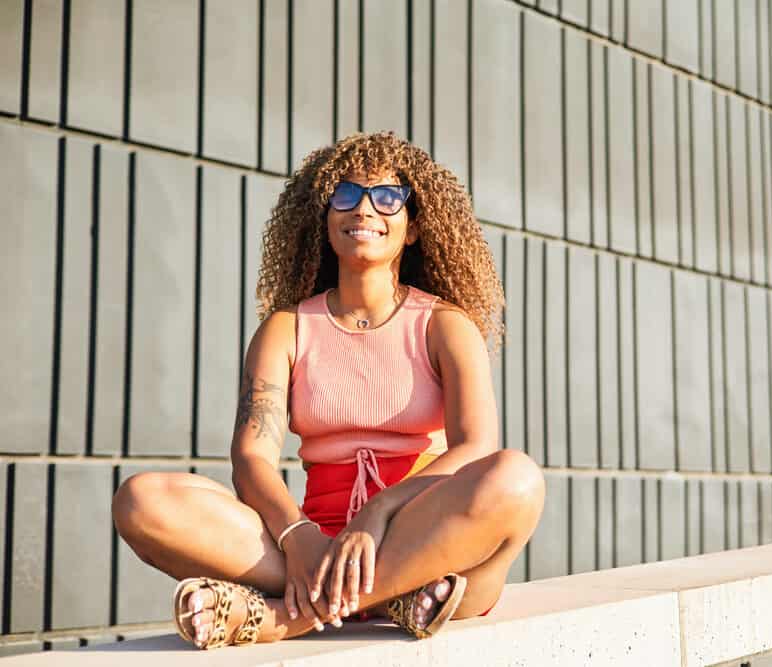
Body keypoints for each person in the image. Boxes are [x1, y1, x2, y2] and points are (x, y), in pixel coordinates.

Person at [111, 132, 546, 649]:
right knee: (143, 500)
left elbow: (476, 448)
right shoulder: (286, 329)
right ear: (324, 218)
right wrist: (299, 538)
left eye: (387, 197)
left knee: (515, 478)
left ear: (411, 228)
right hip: (311, 544)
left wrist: (377, 513)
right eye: (346, 195)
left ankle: (280, 618)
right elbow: (251, 456)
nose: (365, 209)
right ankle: (392, 597)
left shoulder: (445, 325)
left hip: (425, 535)